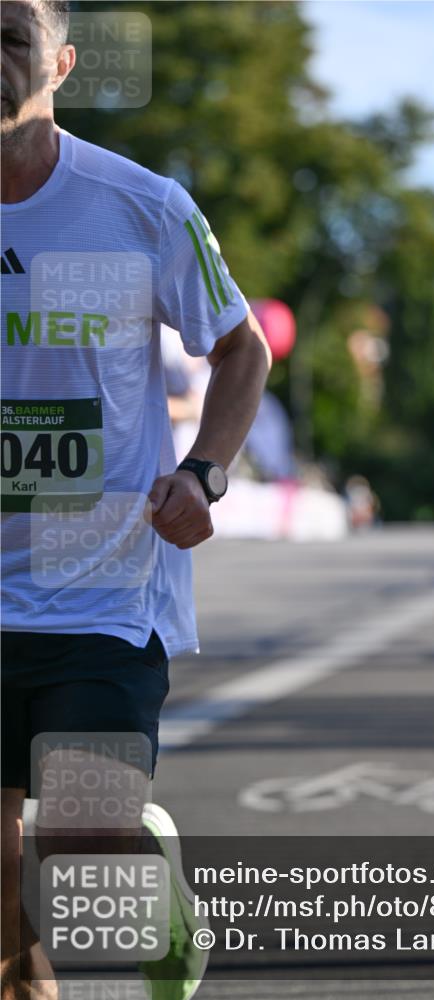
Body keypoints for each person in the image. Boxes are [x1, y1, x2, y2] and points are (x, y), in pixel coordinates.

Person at [0, 3, 271, 998]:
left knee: (81, 838)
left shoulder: (139, 203)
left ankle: (142, 867)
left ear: (62, 62)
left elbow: (243, 344)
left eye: (9, 34)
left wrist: (204, 471)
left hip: (102, 589)